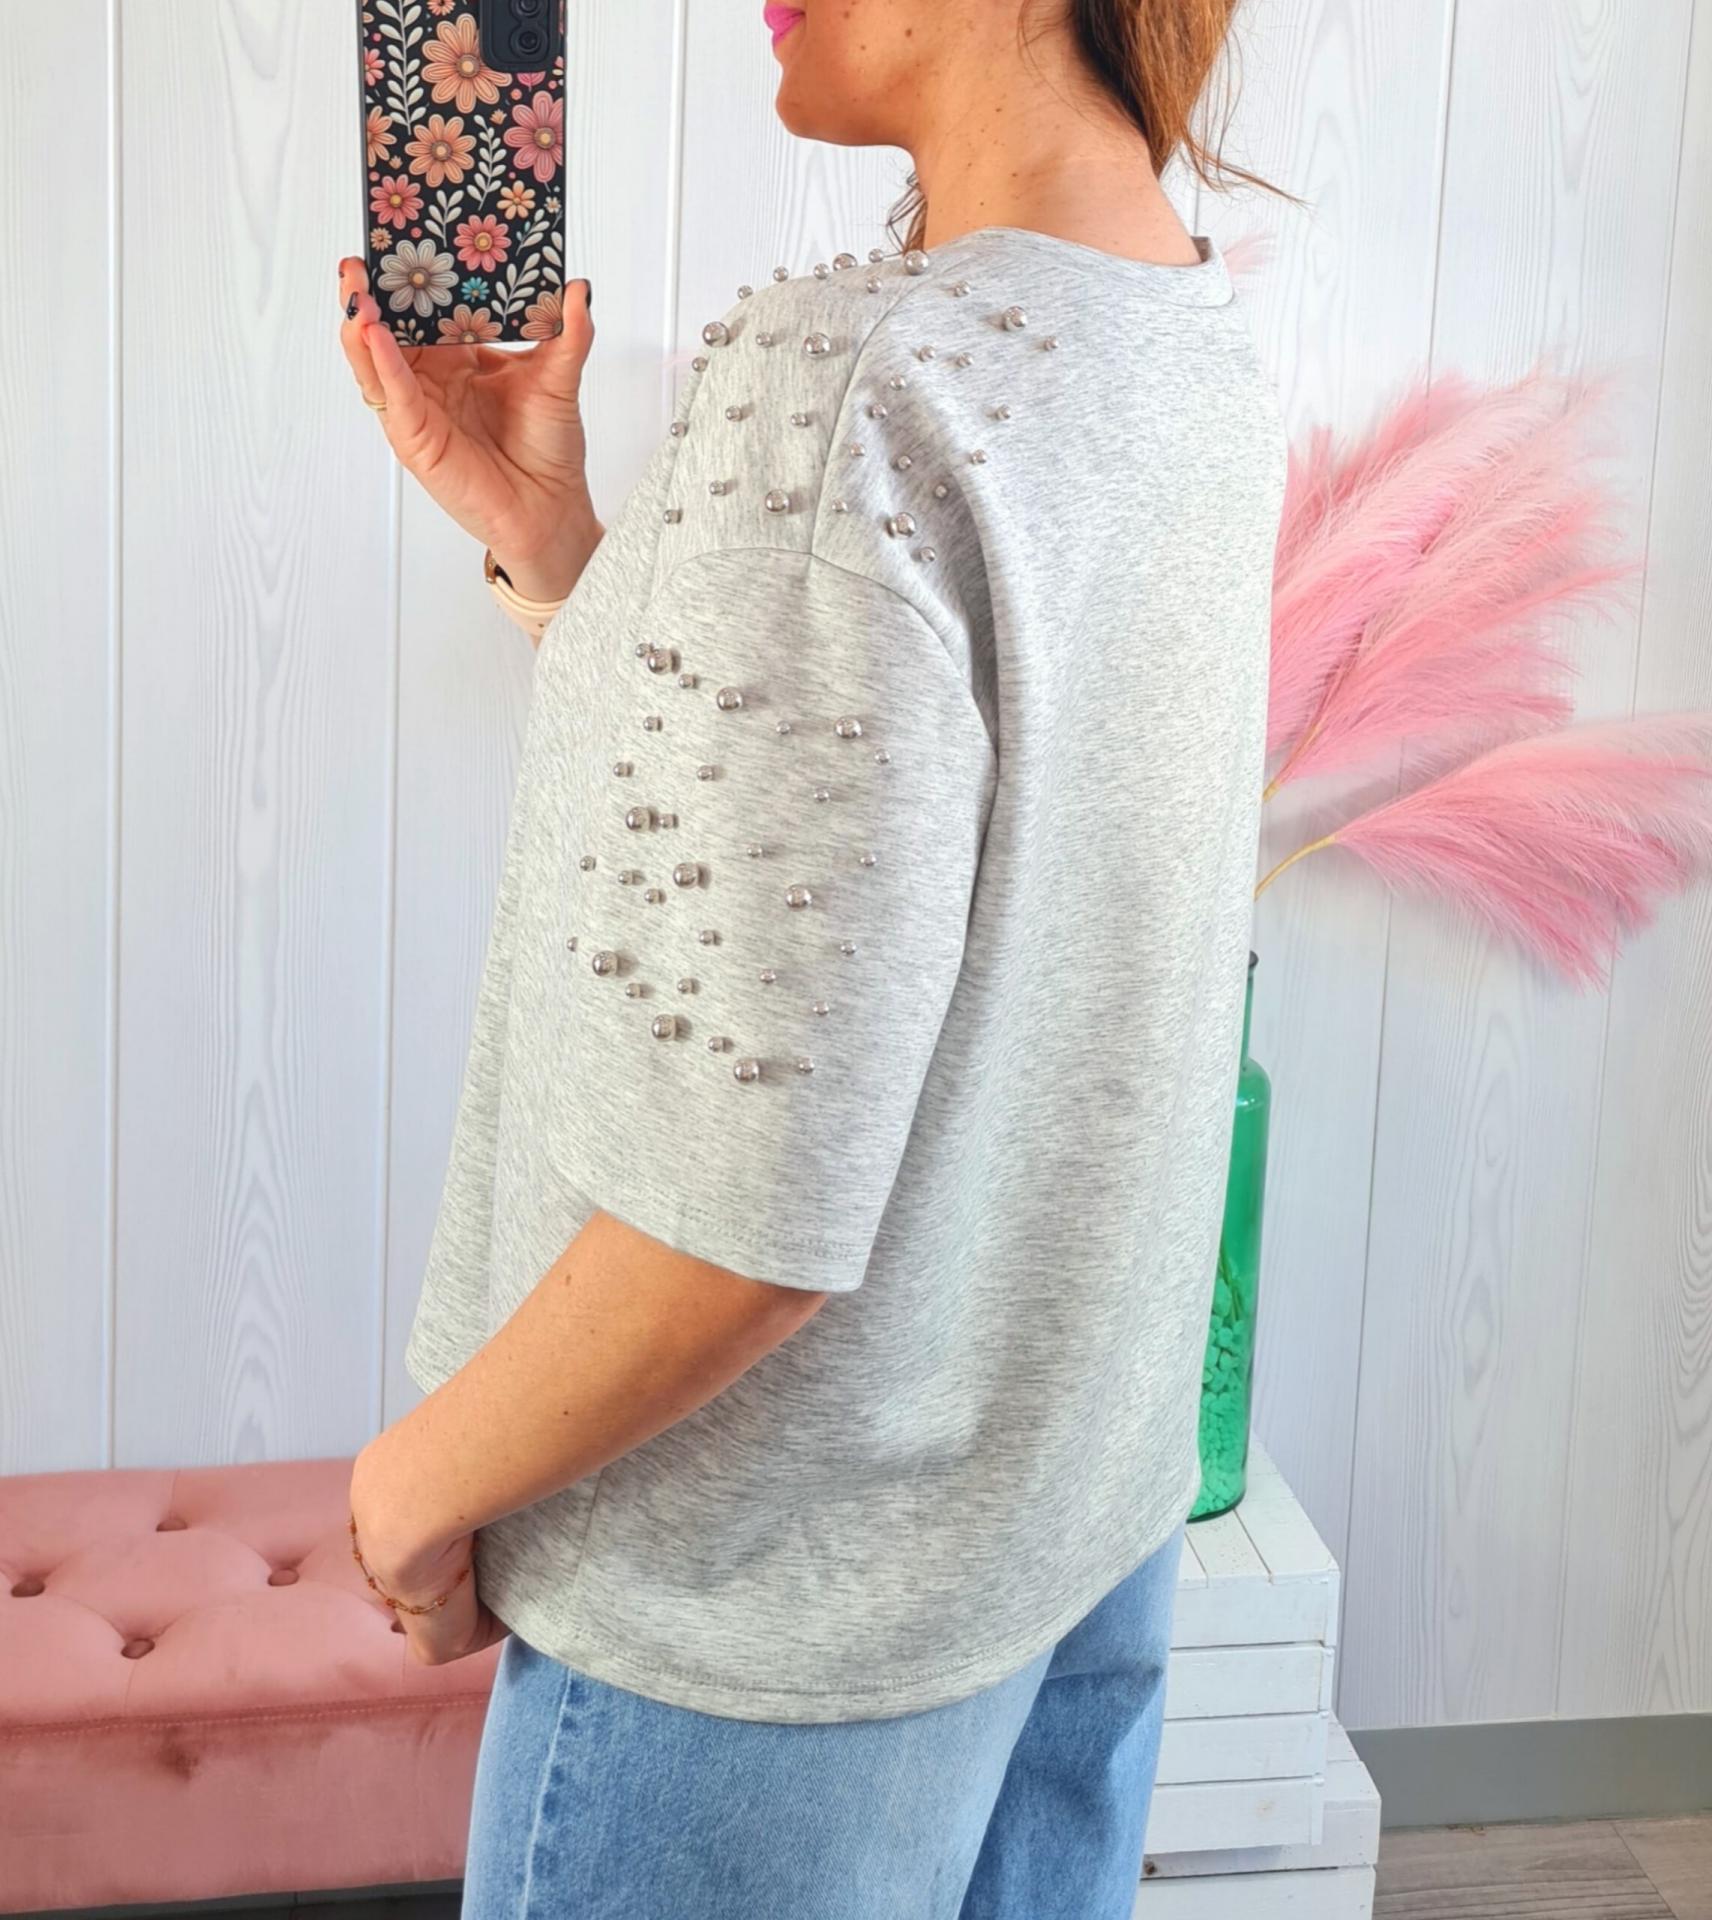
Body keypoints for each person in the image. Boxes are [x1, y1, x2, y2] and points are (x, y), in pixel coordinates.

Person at [335, 0, 1288, 1912]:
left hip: (760, 1629)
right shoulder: (1184, 314)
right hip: (1064, 1529)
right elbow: (906, 856)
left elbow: (744, 1210)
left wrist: (412, 1489)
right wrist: (562, 554)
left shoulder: (853, 385)